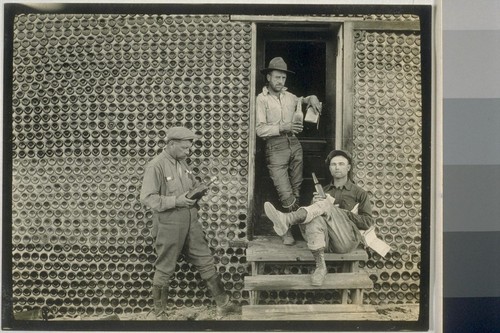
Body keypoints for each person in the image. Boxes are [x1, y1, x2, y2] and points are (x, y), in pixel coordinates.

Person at [140, 126, 236, 319]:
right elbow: (147, 198)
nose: (188, 151)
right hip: (169, 224)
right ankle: (160, 314)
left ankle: (223, 304)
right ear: (171, 144)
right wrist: (176, 201)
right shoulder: (156, 165)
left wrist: (199, 189)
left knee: (205, 260)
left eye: (188, 148)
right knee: (165, 266)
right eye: (184, 148)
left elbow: (189, 187)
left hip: (191, 221)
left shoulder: (182, 162)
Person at [264, 149, 374, 287]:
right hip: (325, 241)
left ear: (348, 167)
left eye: (341, 164)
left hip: (346, 240)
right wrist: (314, 203)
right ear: (329, 168)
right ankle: (321, 267)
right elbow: (312, 221)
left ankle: (288, 219)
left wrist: (342, 213)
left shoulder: (359, 193)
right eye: (333, 164)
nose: (337, 167)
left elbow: (368, 222)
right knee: (316, 215)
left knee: (326, 205)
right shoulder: (325, 190)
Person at [256, 56, 322, 246]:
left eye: (283, 78)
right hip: (275, 146)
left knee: (296, 188)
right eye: (277, 77)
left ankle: (289, 226)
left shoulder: (290, 97)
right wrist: (284, 126)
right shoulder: (261, 99)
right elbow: (259, 129)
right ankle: (290, 229)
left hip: (295, 145)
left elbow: (305, 99)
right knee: (285, 192)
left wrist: (313, 98)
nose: (280, 81)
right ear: (268, 77)